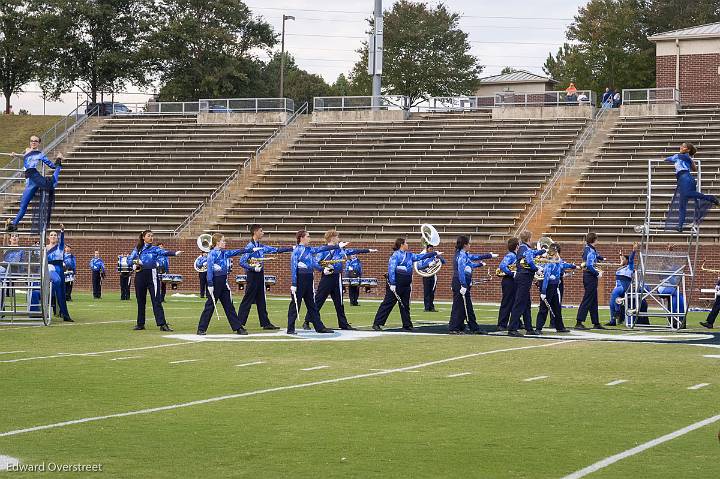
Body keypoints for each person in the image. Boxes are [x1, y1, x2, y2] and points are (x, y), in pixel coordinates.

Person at [302, 229, 375, 330]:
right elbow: (315, 262)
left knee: (339, 302)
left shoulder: (339, 249)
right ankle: (307, 321)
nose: (338, 239)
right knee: (319, 300)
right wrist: (323, 269)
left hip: (337, 277)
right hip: (327, 277)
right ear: (332, 238)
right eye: (337, 237)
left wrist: (367, 250)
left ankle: (343, 323)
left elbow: (352, 251)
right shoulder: (324, 249)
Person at [197, 234, 260, 335]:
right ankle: (201, 328)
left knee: (229, 306)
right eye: (223, 241)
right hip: (215, 281)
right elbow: (209, 270)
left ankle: (238, 327)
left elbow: (238, 251)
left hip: (223, 282)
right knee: (210, 306)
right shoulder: (212, 254)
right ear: (217, 242)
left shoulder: (224, 253)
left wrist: (251, 250)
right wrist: (209, 284)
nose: (225, 242)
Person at [372, 238, 438, 331]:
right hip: (396, 283)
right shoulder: (395, 255)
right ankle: (377, 323)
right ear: (401, 244)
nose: (407, 244)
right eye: (406, 243)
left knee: (405, 305)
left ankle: (407, 324)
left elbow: (420, 257)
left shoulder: (410, 255)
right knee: (388, 304)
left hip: (406, 283)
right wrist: (393, 283)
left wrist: (434, 253)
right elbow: (391, 269)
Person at [287, 230, 343, 334]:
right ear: (302, 238)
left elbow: (319, 252)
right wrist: (294, 283)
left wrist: (323, 269)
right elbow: (293, 268)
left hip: (309, 278)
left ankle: (319, 327)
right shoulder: (297, 251)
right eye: (308, 236)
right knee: (295, 305)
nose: (310, 238)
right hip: (300, 279)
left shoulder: (309, 249)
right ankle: (290, 328)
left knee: (312, 304)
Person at [238, 225, 293, 330]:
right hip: (252, 275)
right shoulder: (250, 247)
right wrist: (253, 268)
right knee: (248, 299)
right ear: (255, 232)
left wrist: (291, 248)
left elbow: (275, 250)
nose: (263, 233)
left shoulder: (261, 246)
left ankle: (265, 323)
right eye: (261, 231)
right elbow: (242, 262)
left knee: (261, 299)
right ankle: (239, 323)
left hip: (260, 274)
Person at [128, 229, 182, 331]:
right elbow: (129, 260)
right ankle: (140, 324)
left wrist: (175, 253)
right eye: (149, 236)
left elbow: (164, 252)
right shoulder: (137, 249)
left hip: (152, 275)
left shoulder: (154, 249)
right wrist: (136, 262)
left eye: (152, 236)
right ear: (143, 237)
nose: (151, 237)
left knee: (156, 300)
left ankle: (162, 324)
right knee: (140, 300)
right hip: (140, 275)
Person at [5, 136, 63, 232]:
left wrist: (57, 161)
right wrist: (15, 155)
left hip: (34, 176)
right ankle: (13, 225)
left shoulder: (40, 154)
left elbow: (51, 165)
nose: (33, 142)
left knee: (51, 184)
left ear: (39, 143)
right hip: (29, 179)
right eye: (31, 141)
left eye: (35, 141)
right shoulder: (27, 150)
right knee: (23, 204)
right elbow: (25, 158)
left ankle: (59, 160)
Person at [663, 142, 719, 232]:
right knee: (682, 204)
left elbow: (668, 159)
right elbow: (694, 169)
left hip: (685, 178)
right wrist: (690, 160)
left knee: (688, 194)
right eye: (681, 145)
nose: (681, 147)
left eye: (683, 146)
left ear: (687, 150)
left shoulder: (679, 156)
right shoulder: (687, 158)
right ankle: (680, 226)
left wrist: (666, 159)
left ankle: (711, 198)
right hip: (683, 179)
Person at [449, 236, 496, 334]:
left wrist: (488, 256)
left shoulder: (464, 254)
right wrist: (463, 285)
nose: (470, 245)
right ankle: (456, 328)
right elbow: (460, 270)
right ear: (465, 245)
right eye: (469, 243)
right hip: (460, 282)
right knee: (460, 306)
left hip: (462, 282)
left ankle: (461, 326)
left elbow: (474, 260)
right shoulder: (461, 255)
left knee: (463, 305)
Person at [507, 231, 545, 337]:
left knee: (526, 304)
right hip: (524, 277)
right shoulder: (525, 248)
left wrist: (541, 251)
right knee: (519, 303)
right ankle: (512, 328)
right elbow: (529, 260)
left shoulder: (523, 248)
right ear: (529, 238)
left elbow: (532, 254)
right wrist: (536, 269)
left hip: (523, 277)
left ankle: (529, 328)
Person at [535, 243, 575, 333]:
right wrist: (543, 292)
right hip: (548, 287)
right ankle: (538, 328)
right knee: (544, 307)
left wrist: (573, 266)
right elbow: (546, 278)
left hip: (555, 287)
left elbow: (564, 265)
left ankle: (559, 327)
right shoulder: (549, 264)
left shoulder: (557, 261)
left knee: (557, 307)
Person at [575, 232, 606, 330]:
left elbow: (596, 256)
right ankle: (579, 322)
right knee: (588, 299)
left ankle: (596, 322)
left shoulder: (590, 249)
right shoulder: (590, 250)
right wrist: (598, 273)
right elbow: (589, 265)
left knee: (593, 300)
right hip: (590, 276)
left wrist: (603, 258)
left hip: (589, 276)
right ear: (595, 240)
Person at [606, 243, 638, 326]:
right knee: (611, 302)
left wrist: (634, 251)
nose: (621, 260)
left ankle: (618, 312)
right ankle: (613, 321)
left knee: (614, 293)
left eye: (623, 259)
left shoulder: (629, 267)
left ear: (627, 260)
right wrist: (620, 255)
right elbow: (621, 260)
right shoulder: (620, 268)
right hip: (618, 286)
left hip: (625, 286)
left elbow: (631, 259)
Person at [46, 225, 72, 322]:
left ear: (57, 238)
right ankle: (50, 308)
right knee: (48, 291)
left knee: (60, 292)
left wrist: (62, 231)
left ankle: (64, 314)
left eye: (55, 235)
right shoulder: (45, 248)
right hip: (48, 269)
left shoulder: (60, 246)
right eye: (51, 235)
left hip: (59, 269)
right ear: (49, 237)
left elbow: (62, 239)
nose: (53, 236)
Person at [497, 237, 519, 331]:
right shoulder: (511, 255)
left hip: (513, 281)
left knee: (515, 302)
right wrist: (511, 273)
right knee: (507, 302)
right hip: (509, 281)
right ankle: (502, 324)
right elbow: (502, 265)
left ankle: (517, 322)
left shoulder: (515, 255)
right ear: (517, 246)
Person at [417, 245, 446, 312]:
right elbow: (419, 267)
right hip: (426, 275)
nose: (431, 250)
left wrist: (439, 256)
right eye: (430, 249)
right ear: (427, 249)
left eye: (432, 249)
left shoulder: (434, 256)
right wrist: (428, 265)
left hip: (433, 275)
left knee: (432, 292)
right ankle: (426, 307)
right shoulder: (423, 257)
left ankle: (431, 307)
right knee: (426, 292)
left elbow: (444, 262)